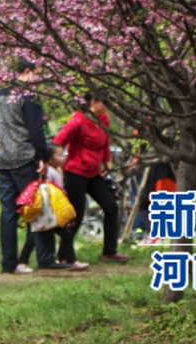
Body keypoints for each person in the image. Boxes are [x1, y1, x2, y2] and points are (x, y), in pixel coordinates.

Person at [0, 60, 69, 273]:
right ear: (27, 72)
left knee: (8, 213)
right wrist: (43, 157)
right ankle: (45, 258)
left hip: (3, 159)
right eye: (38, 73)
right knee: (36, 207)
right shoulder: (29, 97)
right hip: (25, 159)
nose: (40, 78)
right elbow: (36, 130)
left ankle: (8, 264)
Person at [54, 92, 130, 264]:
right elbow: (59, 140)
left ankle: (109, 251)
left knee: (111, 207)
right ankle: (65, 255)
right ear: (93, 102)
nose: (107, 107)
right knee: (76, 214)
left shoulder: (103, 119)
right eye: (105, 102)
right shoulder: (78, 121)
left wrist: (108, 167)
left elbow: (106, 144)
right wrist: (57, 163)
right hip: (75, 172)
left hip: (94, 173)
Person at [17, 144, 66, 273]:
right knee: (38, 234)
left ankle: (57, 259)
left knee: (38, 234)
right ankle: (26, 261)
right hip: (46, 208)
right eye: (60, 155)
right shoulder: (48, 172)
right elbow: (46, 188)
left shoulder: (55, 171)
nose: (63, 158)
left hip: (51, 208)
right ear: (50, 159)